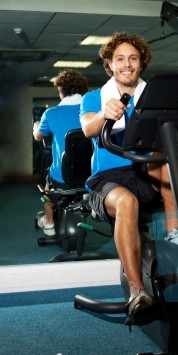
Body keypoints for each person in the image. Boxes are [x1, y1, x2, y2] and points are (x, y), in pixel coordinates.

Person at [80, 32, 178, 324]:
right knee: (127, 203)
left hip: (145, 168)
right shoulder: (94, 97)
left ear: (141, 63)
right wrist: (105, 113)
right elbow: (89, 128)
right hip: (108, 180)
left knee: (166, 165)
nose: (127, 64)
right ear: (110, 65)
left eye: (133, 58)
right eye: (120, 59)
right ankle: (137, 293)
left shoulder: (155, 95)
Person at [33, 69, 89, 236]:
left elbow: (38, 136)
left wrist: (36, 125)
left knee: (47, 187)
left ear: (61, 91)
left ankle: (49, 223)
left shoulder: (51, 113)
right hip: (92, 174)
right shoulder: (93, 111)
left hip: (64, 177)